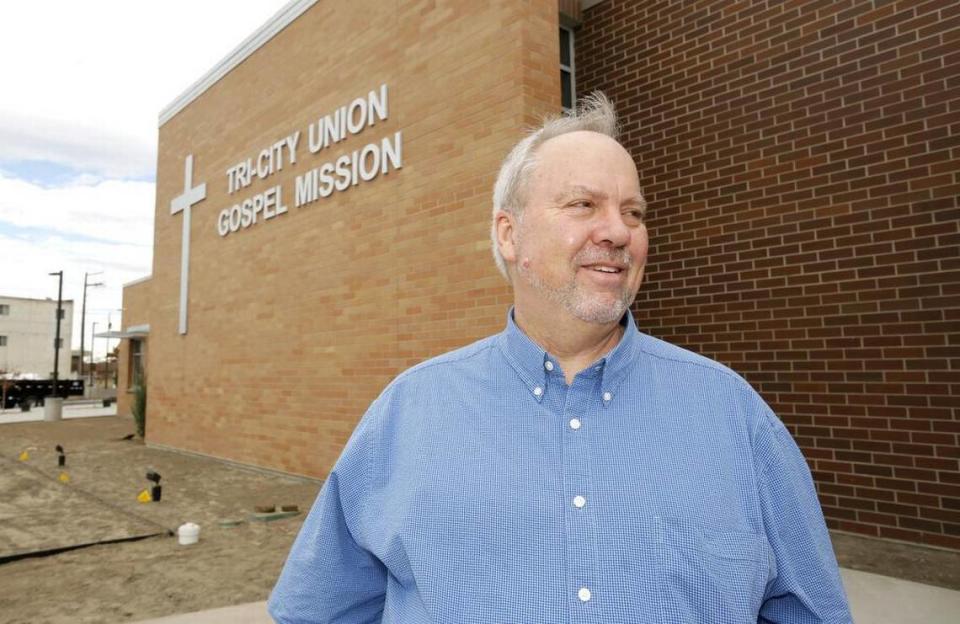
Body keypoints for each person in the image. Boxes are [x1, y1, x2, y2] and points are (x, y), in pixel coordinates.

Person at [268, 93, 852, 623]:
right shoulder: (409, 412)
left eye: (634, 212)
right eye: (583, 204)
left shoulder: (732, 412)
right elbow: (318, 612)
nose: (618, 232)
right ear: (508, 234)